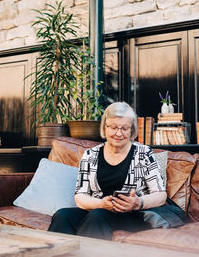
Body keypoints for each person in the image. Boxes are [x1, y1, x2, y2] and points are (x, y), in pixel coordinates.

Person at [48, 102, 167, 240]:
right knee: (63, 215)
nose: (118, 133)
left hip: (133, 215)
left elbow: (160, 194)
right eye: (113, 127)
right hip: (99, 210)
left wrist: (137, 202)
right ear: (105, 127)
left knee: (98, 215)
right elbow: (80, 197)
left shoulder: (143, 153)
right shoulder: (90, 155)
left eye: (125, 128)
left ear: (132, 130)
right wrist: (101, 204)